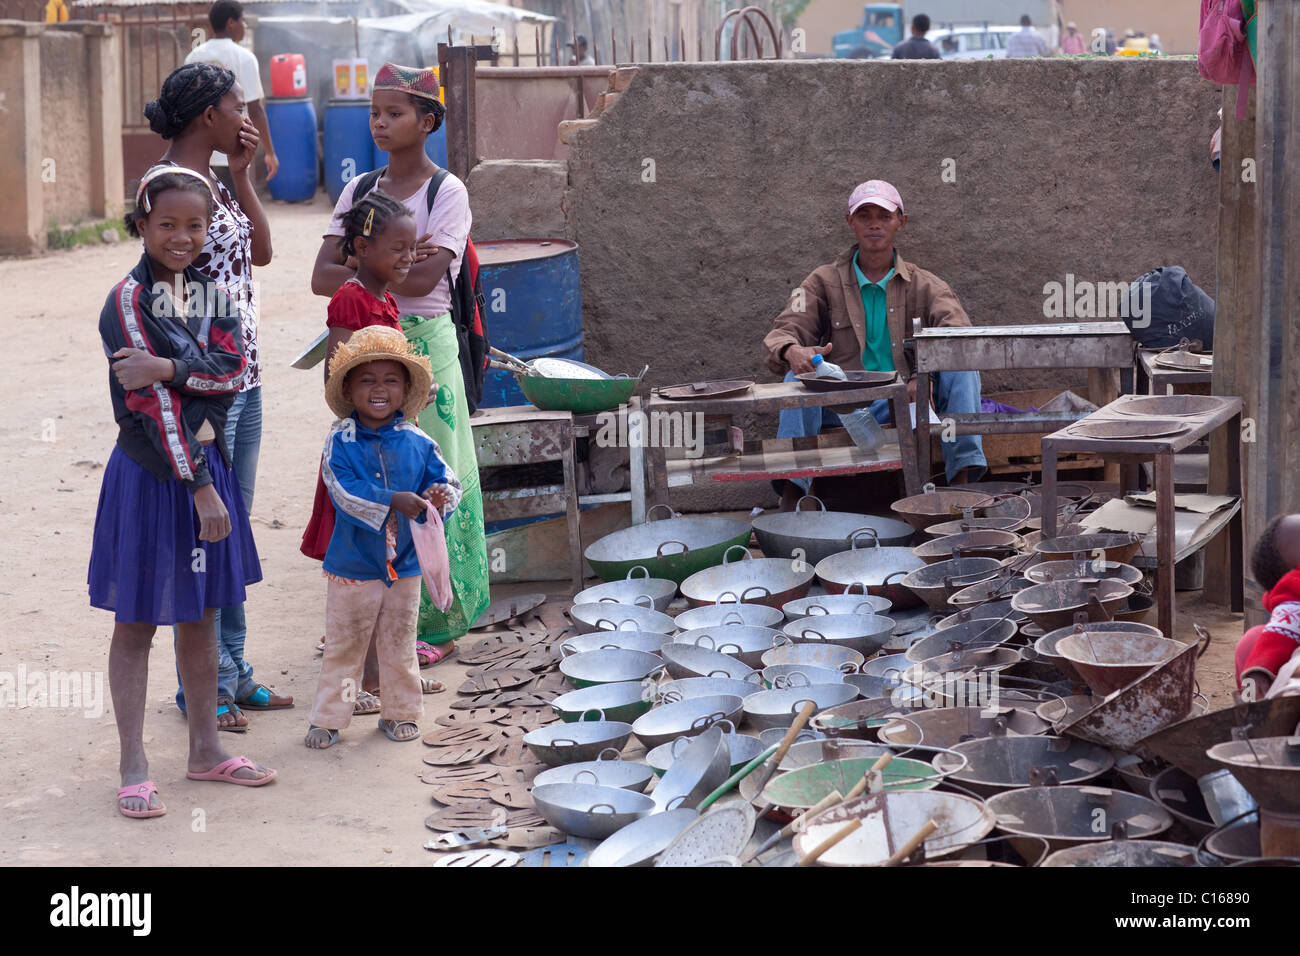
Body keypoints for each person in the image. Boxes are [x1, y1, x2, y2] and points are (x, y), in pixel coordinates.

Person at [91, 168, 277, 818]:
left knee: (201, 614)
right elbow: (150, 407)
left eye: (194, 225)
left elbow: (233, 373)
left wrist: (172, 368)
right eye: (166, 223)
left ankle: (205, 751)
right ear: (141, 224)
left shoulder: (216, 296)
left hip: (205, 468)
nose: (181, 237)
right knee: (137, 622)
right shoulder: (126, 303)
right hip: (153, 477)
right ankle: (133, 765)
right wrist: (199, 486)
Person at [310, 62, 490, 676]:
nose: (380, 123)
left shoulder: (447, 193)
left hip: (425, 351)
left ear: (428, 120)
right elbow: (319, 278)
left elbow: (418, 279)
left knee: (433, 474)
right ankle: (368, 615)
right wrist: (382, 273)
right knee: (367, 479)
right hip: (364, 348)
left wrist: (365, 268)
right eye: (374, 112)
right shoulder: (359, 188)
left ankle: (438, 621)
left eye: (394, 113)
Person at [143, 62, 287, 732]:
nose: (246, 115)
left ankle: (234, 671)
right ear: (208, 114)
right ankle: (201, 690)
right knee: (207, 534)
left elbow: (261, 253)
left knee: (234, 533)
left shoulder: (217, 185)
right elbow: (162, 301)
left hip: (244, 379)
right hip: (206, 388)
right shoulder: (165, 189)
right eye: (237, 104)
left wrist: (243, 177)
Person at [762, 180, 986, 509]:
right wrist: (793, 351)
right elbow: (784, 329)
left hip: (907, 404)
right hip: (844, 405)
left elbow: (960, 337)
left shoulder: (924, 285)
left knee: (963, 370)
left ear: (900, 222)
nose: (874, 224)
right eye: (864, 215)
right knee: (795, 379)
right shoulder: (822, 282)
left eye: (884, 215)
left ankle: (962, 486)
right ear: (850, 222)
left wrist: (923, 378)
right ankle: (794, 496)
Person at [306, 327, 461, 749]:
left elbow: (446, 482)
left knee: (399, 641)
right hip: (352, 565)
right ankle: (329, 718)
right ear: (350, 390)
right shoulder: (341, 440)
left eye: (391, 380)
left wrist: (438, 498)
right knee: (345, 646)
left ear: (407, 389)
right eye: (367, 380)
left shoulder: (419, 441)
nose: (379, 389)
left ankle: (400, 713)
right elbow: (343, 491)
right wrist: (394, 500)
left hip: (406, 566)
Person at [185, 0, 277, 190]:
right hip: (232, 152)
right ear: (231, 22)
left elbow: (186, 106)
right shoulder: (244, 58)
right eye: (242, 21)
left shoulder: (194, 57)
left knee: (203, 213)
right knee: (234, 213)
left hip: (198, 155)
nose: (244, 26)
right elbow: (255, 109)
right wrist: (269, 152)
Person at [1235, 515, 1300, 701]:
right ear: (1291, 575)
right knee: (1252, 642)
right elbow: (1276, 638)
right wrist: (1258, 670)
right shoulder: (1294, 588)